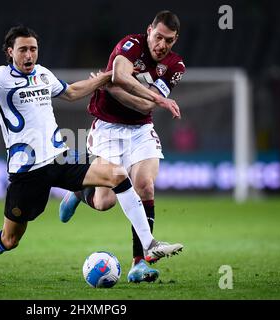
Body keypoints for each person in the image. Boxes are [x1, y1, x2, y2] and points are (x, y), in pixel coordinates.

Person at [0, 25, 183, 283]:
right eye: (23, 50)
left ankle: (148, 244)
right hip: (27, 171)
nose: (29, 55)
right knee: (10, 239)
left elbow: (72, 92)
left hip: (60, 157)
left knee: (117, 175)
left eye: (33, 49)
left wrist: (105, 78)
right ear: (10, 52)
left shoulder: (42, 74)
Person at [59, 10, 186, 283]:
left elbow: (143, 104)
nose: (162, 45)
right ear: (149, 30)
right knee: (105, 202)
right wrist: (119, 83)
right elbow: (118, 72)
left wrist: (112, 88)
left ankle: (140, 263)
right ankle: (79, 193)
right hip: (107, 127)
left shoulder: (176, 67)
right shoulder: (131, 45)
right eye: (159, 37)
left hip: (141, 130)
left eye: (169, 41)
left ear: (175, 41)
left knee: (145, 186)